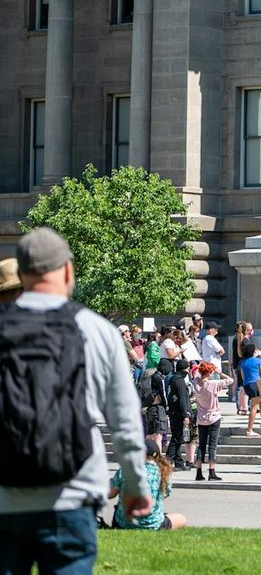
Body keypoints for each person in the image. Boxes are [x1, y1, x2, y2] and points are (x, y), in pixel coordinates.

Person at [0, 227, 151, 572]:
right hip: (73, 494)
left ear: (21, 274)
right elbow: (125, 421)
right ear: (68, 270)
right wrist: (135, 485)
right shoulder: (97, 329)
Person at [108, 440, 185, 531]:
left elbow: (110, 494)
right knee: (181, 518)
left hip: (123, 523)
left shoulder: (125, 470)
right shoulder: (162, 472)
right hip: (153, 524)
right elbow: (165, 494)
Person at [190, 361, 230, 482]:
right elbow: (230, 380)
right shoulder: (213, 384)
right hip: (214, 416)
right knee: (212, 445)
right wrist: (220, 372)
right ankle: (212, 471)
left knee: (201, 445)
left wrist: (201, 369)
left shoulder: (196, 383)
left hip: (201, 417)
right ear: (210, 372)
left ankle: (198, 471)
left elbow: (196, 373)